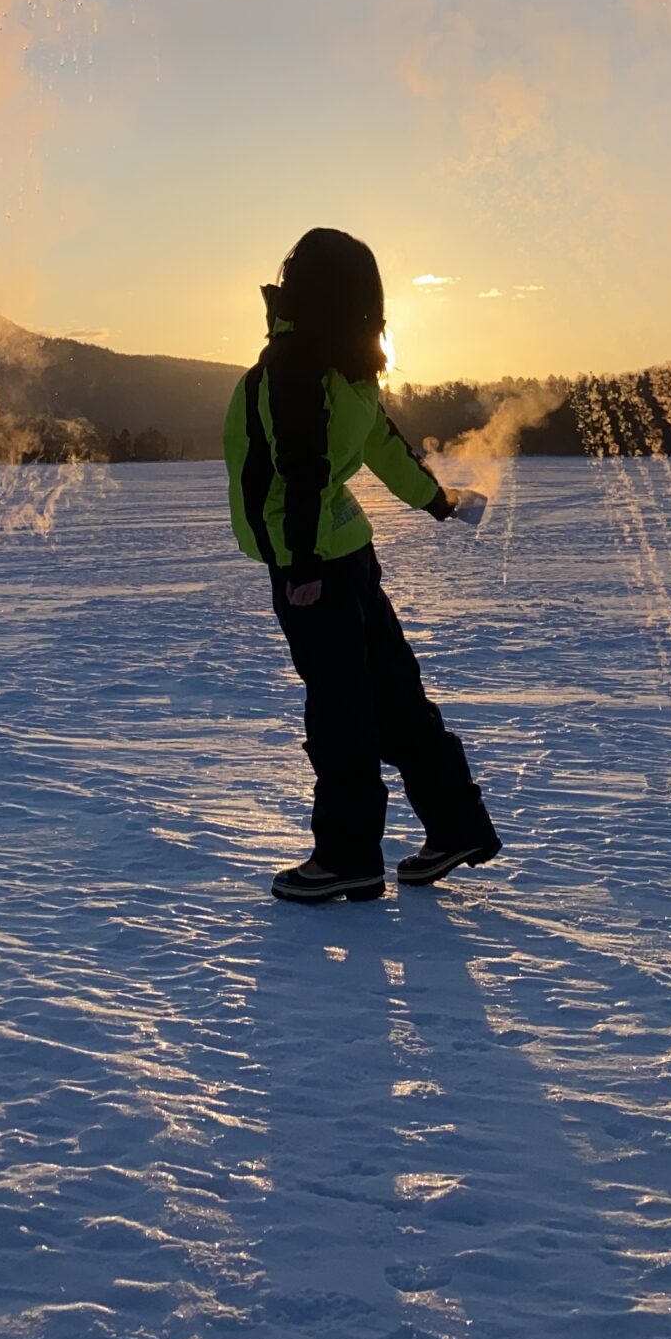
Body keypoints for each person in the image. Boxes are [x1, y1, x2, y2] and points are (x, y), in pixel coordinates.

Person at [224, 226, 503, 903]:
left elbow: (301, 466)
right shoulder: (352, 370)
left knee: (341, 706)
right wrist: (441, 501)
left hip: (313, 562)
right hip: (347, 555)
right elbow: (385, 448)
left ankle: (347, 856)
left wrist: (301, 567)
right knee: (392, 697)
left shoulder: (294, 366)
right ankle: (456, 824)